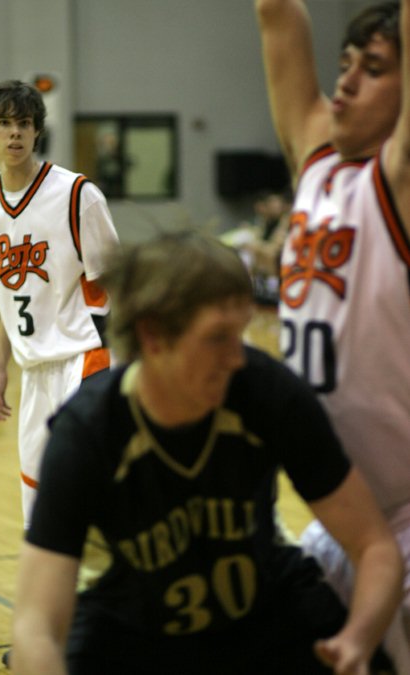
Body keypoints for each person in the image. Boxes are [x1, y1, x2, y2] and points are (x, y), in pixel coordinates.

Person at [10, 230, 403, 674]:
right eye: (218, 337)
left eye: (241, 333)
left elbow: (374, 546)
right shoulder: (88, 432)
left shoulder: (265, 390)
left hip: (268, 617)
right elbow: (34, 624)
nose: (237, 357)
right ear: (153, 336)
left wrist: (358, 639)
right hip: (134, 634)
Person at [255, 0, 410, 662]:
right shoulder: (317, 160)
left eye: (372, 69)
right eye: (344, 64)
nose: (343, 81)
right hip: (340, 522)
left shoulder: (399, 179)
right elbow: (276, 12)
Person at [0, 80, 119, 529]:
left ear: (37, 132)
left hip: (84, 356)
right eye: (4, 123)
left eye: (24, 123)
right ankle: (58, 591)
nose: (14, 133)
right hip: (34, 368)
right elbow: (6, 295)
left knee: (86, 480)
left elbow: (119, 283)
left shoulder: (77, 195)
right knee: (37, 497)